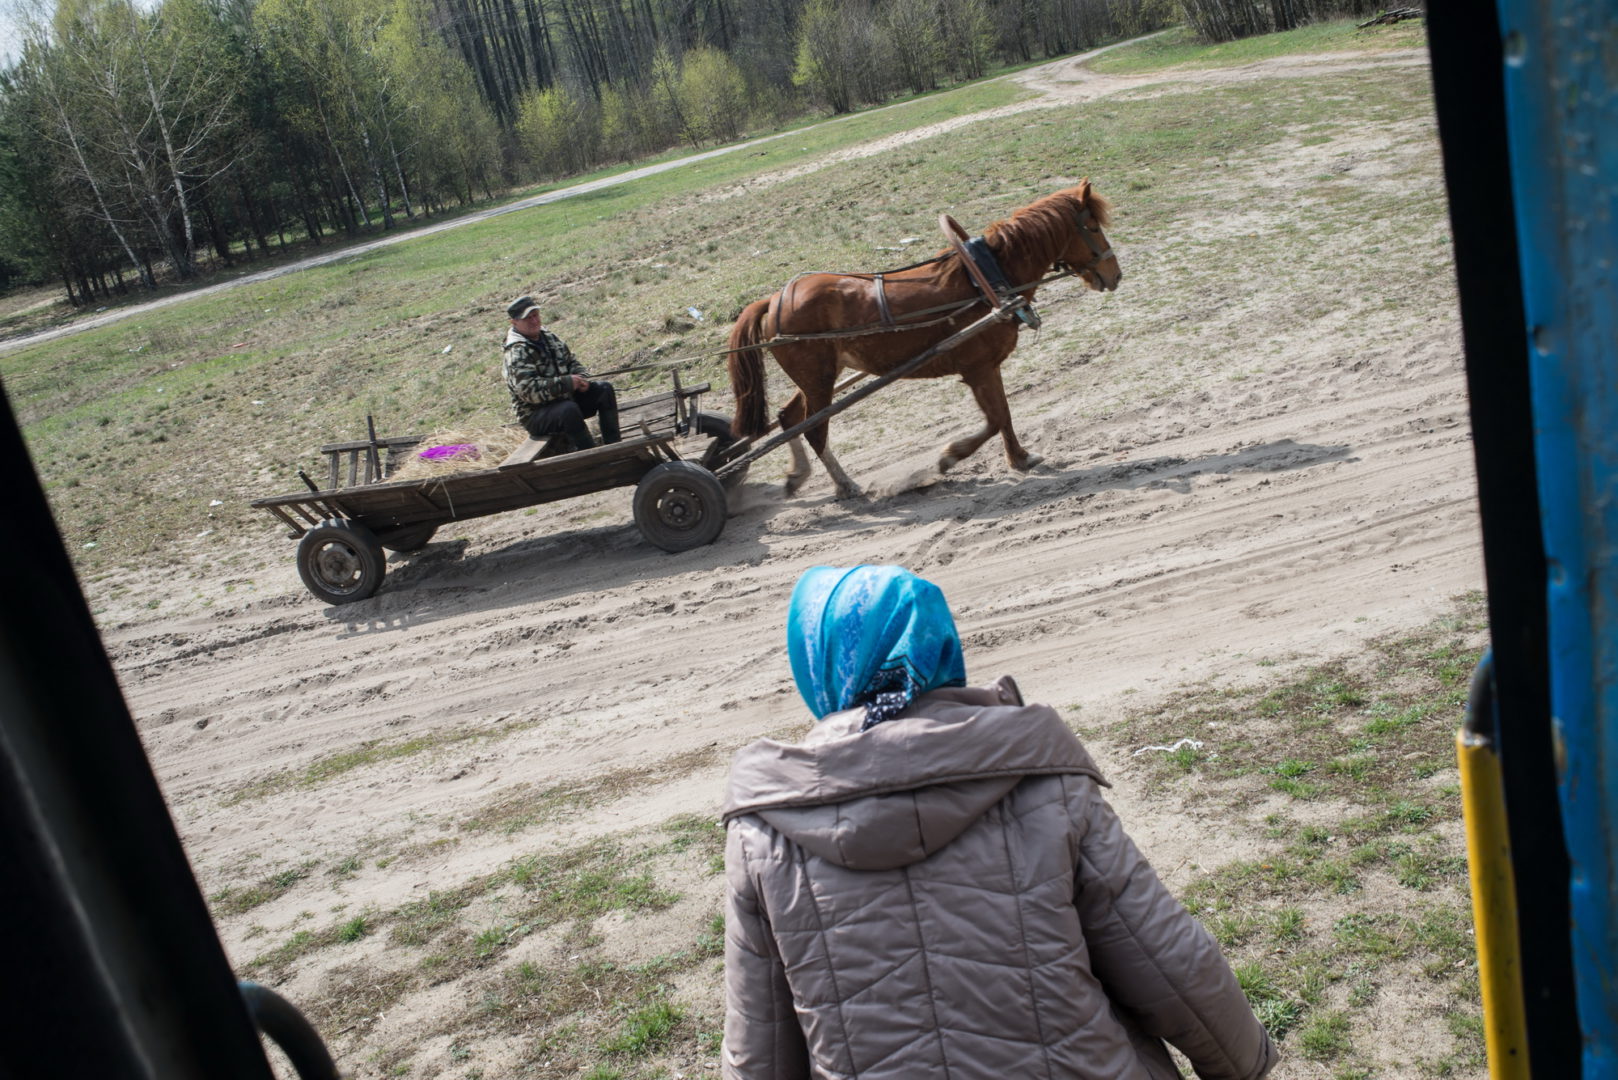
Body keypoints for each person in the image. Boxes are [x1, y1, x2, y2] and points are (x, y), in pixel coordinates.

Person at [721, 565, 1278, 1080]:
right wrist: (1242, 1063)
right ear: (936, 646)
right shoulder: (1039, 778)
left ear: (815, 662)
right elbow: (1166, 958)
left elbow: (759, 1041)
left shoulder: (765, 835)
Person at [502, 295, 620, 451]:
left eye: (535, 315)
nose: (534, 321)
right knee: (568, 409)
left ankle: (615, 447)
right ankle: (592, 455)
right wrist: (567, 383)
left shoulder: (549, 337)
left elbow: (572, 362)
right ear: (514, 322)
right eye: (527, 318)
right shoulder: (516, 352)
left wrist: (583, 379)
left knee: (604, 389)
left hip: (565, 401)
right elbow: (529, 392)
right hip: (536, 416)